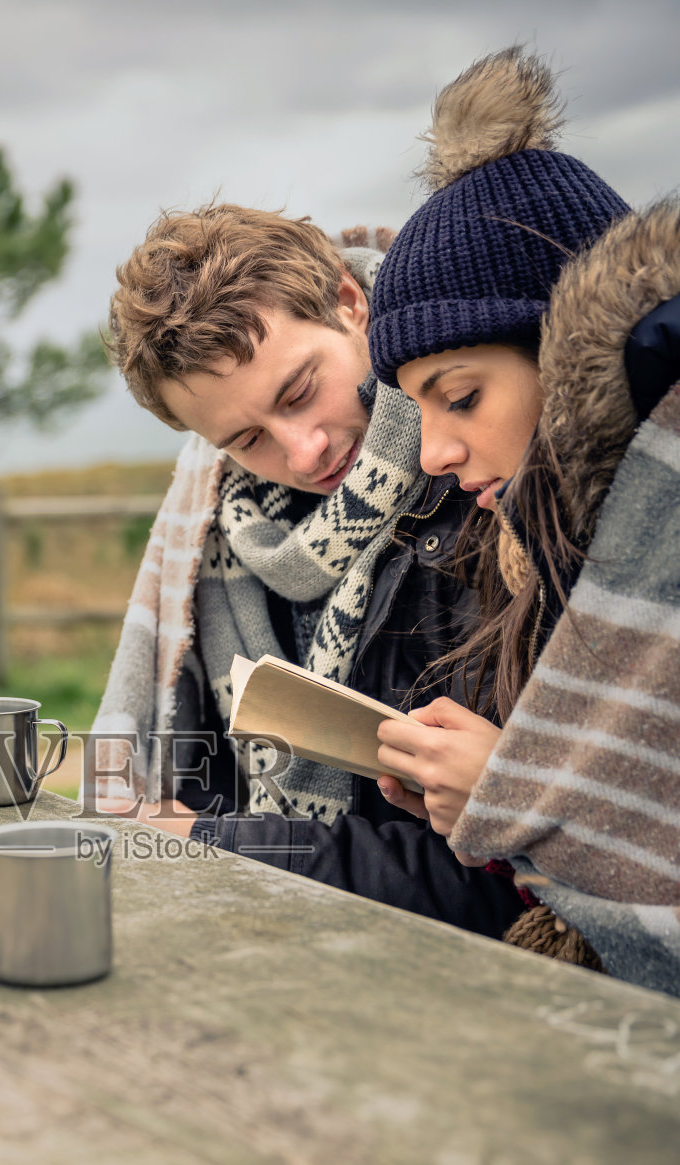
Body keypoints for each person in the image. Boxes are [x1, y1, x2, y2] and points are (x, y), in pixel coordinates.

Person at [86, 205, 527, 938]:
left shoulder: (487, 492)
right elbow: (203, 787)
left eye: (297, 392)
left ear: (350, 305)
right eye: (247, 437)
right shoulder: (216, 539)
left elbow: (501, 882)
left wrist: (214, 847)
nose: (303, 453)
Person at [368, 48, 680, 993]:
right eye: (413, 411)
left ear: (570, 356)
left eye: (458, 396)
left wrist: (517, 794)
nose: (430, 453)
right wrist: (483, 802)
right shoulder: (543, 561)